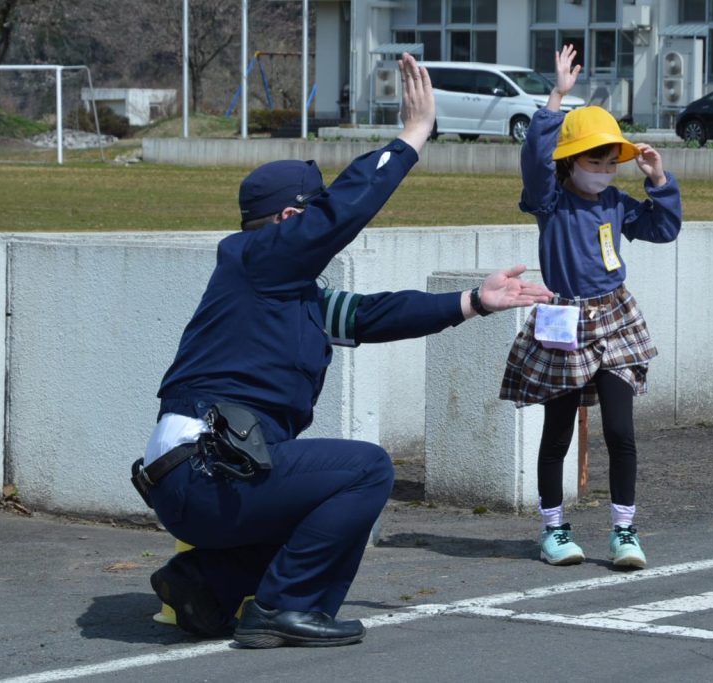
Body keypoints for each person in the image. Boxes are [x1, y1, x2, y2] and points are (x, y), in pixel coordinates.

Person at [132, 53, 553, 649]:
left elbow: (372, 315)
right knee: (366, 471)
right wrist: (411, 137)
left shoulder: (287, 293)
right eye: (312, 211)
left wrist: (475, 301)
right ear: (286, 219)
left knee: (321, 498)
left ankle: (207, 583)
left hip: (204, 474)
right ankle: (284, 608)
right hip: (205, 470)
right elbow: (344, 210)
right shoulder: (256, 259)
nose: (320, 225)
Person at [499, 45, 683, 569]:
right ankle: (553, 529)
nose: (603, 171)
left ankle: (624, 531)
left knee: (621, 431)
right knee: (557, 431)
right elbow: (535, 159)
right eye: (593, 161)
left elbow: (663, 228)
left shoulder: (616, 203)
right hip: (563, 318)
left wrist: (658, 180)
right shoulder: (549, 201)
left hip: (616, 315)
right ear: (570, 162)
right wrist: (556, 97)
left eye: (610, 163)